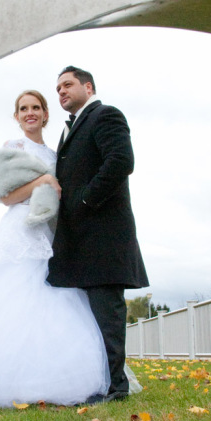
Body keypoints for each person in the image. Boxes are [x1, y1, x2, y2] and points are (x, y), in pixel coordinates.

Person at [0, 90, 110, 407]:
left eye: (36, 107)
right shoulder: (13, 148)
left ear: (45, 114)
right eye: (23, 108)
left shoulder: (55, 154)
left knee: (54, 304)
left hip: (50, 233)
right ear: (16, 116)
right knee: (13, 302)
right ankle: (5, 381)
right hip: (20, 233)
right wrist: (43, 182)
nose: (30, 113)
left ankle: (51, 379)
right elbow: (5, 196)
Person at [48, 66, 148, 403]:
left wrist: (84, 200)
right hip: (80, 240)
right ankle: (96, 383)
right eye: (58, 88)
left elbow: (121, 161)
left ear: (88, 87)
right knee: (86, 320)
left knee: (107, 316)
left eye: (68, 85)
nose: (61, 91)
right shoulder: (71, 128)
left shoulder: (106, 115)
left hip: (104, 236)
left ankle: (116, 388)